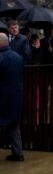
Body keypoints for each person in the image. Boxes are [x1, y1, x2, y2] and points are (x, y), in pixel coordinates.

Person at [0, 32, 25, 162]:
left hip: (2, 96)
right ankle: (18, 152)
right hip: (16, 96)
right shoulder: (18, 57)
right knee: (14, 126)